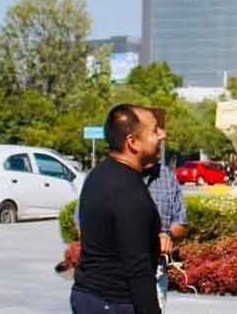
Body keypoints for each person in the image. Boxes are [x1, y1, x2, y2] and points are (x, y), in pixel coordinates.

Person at [72, 104, 166, 314]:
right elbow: (137, 266)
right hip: (114, 302)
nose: (162, 135)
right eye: (154, 131)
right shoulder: (127, 191)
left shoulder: (99, 174)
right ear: (132, 142)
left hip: (88, 296)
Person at [143, 109, 188, 311]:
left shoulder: (167, 176)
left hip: (156, 273)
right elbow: (85, 228)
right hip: (115, 279)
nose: (163, 136)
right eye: (155, 132)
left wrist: (168, 236)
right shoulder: (107, 177)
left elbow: (181, 224)